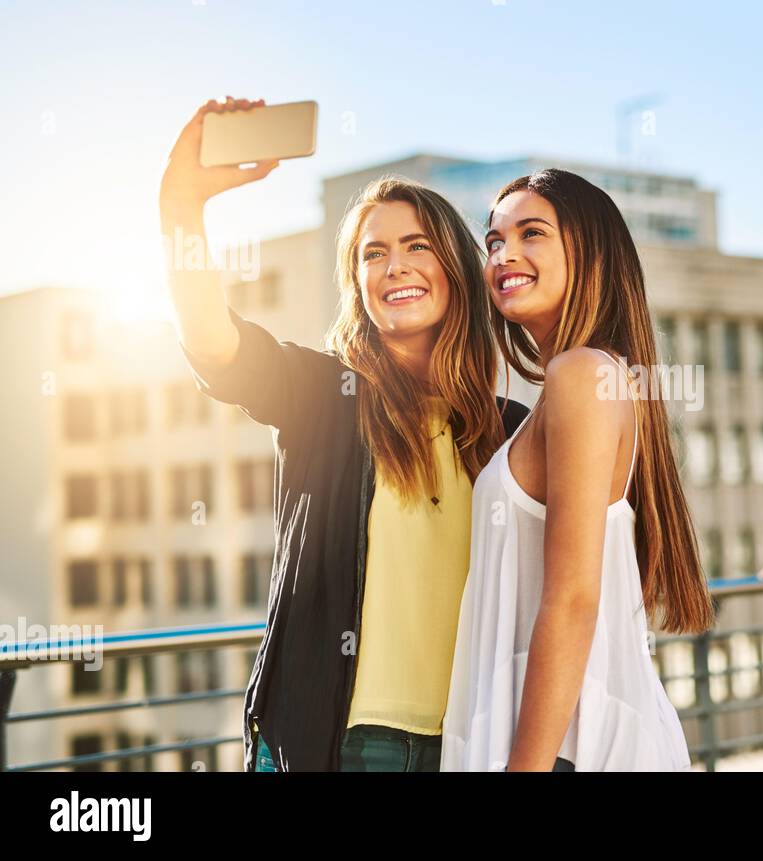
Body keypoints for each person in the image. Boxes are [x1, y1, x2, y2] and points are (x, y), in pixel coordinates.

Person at [160, 96, 527, 771]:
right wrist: (181, 205)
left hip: (472, 743)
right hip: (344, 744)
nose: (395, 266)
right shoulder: (324, 396)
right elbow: (215, 344)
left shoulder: (508, 429)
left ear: (454, 268)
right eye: (373, 254)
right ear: (357, 284)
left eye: (417, 246)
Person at [440, 169, 714, 771]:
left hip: (568, 748)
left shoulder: (582, 375)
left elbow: (571, 597)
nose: (504, 254)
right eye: (493, 241)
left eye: (531, 233)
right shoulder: (586, 378)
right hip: (563, 738)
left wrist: (525, 767)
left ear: (587, 252)